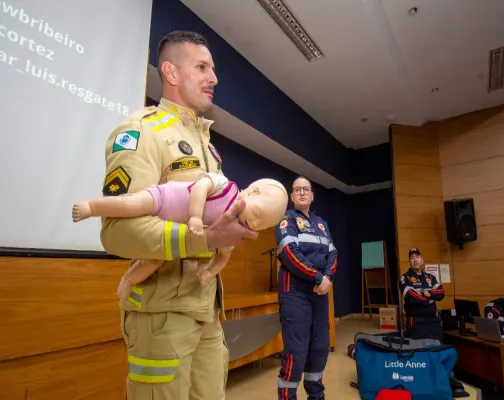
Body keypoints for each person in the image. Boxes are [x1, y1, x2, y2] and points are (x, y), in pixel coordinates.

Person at [99, 31, 258, 400]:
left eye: (212, 69)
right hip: (161, 316)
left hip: (206, 308)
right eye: (202, 67)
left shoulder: (208, 146)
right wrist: (205, 237)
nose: (213, 77)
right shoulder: (141, 131)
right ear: (170, 72)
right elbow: (116, 231)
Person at [73, 174, 287, 297]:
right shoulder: (226, 186)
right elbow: (201, 186)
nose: (255, 224)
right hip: (163, 199)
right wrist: (195, 216)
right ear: (253, 192)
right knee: (131, 204)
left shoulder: (232, 231)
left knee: (154, 259)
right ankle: (92, 207)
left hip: (171, 229)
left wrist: (209, 273)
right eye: (257, 214)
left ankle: (129, 280)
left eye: (262, 226)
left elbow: (224, 256)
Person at [275, 176, 338, 400]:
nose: (302, 192)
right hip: (295, 294)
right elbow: (290, 254)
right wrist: (318, 277)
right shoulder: (286, 219)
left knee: (320, 346)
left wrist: (327, 277)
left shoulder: (321, 224)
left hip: (319, 293)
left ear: (312, 195)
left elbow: (333, 253)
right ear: (292, 196)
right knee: (296, 350)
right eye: (297, 189)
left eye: (306, 189)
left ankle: (316, 396)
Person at [399, 248, 445, 342]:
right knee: (417, 349)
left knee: (436, 348)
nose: (415, 260)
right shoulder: (405, 278)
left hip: (432, 322)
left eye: (417, 257)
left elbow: (441, 292)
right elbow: (411, 297)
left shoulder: (431, 277)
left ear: (422, 260)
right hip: (416, 323)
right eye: (412, 258)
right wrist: (429, 299)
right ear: (409, 261)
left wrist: (426, 293)